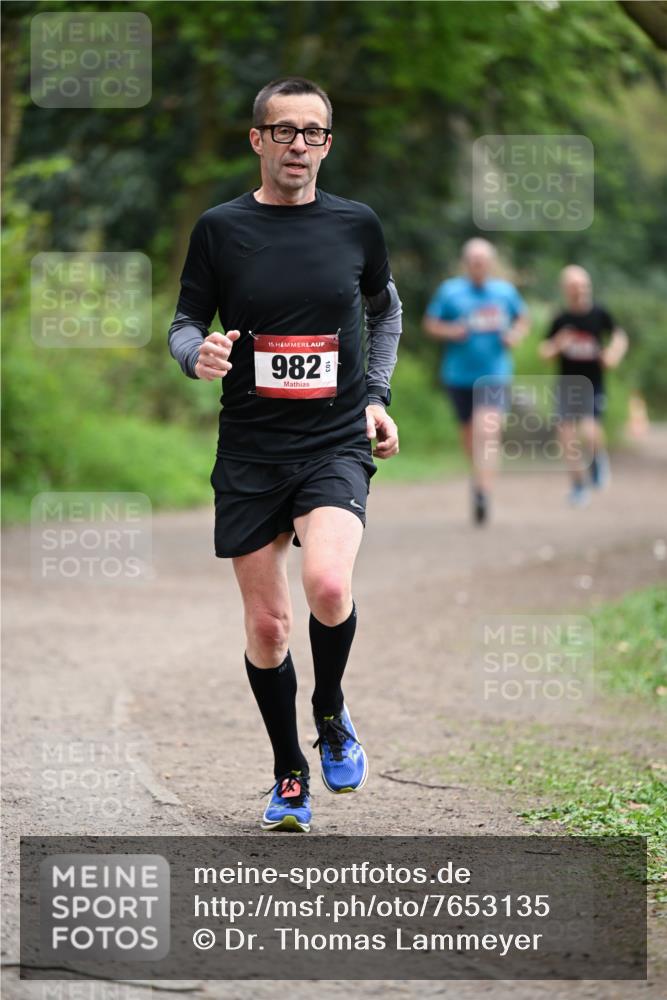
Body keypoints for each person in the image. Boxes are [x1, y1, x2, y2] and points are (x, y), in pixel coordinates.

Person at [168, 77, 401, 832]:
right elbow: (183, 322)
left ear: (327, 144)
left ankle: (329, 712)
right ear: (257, 139)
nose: (298, 144)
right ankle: (288, 771)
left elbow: (384, 309)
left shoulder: (357, 225)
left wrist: (375, 395)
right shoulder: (220, 229)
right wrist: (194, 353)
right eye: (284, 130)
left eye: (313, 132)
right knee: (268, 628)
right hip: (250, 449)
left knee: (329, 585)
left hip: (332, 440)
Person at [422, 239, 528, 524]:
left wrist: (515, 335)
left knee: (487, 432)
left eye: (483, 259)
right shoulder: (450, 291)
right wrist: (450, 331)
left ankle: (483, 490)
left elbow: (522, 320)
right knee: (470, 437)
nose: (478, 264)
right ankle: (479, 477)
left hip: (494, 375)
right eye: (473, 259)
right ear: (466, 262)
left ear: (490, 263)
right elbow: (430, 324)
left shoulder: (504, 292)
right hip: (458, 376)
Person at [540, 265, 628, 506]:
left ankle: (597, 458)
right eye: (573, 285)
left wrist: (613, 354)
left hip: (593, 383)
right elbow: (544, 352)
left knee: (589, 430)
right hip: (567, 384)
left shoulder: (599, 314)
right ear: (565, 289)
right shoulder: (561, 319)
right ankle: (578, 485)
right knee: (566, 436)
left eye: (582, 285)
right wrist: (558, 344)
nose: (579, 289)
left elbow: (619, 336)